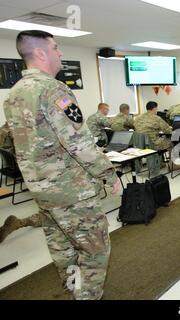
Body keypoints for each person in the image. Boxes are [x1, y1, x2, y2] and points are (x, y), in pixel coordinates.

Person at [3, 30, 121, 299]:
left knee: (61, 245)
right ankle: (87, 295)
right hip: (71, 191)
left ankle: (73, 288)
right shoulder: (53, 89)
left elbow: (19, 142)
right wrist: (108, 175)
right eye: (56, 47)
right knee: (95, 248)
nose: (61, 53)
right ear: (41, 53)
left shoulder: (14, 94)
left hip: (41, 189)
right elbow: (78, 142)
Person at [0, 121, 43, 243]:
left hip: (26, 172)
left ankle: (19, 223)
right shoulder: (25, 129)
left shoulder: (4, 130)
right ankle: (21, 223)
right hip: (38, 172)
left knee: (50, 209)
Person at [134, 101, 180, 171]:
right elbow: (168, 131)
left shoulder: (137, 118)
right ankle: (172, 165)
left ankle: (160, 163)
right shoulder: (156, 118)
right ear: (154, 109)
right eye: (156, 108)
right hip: (153, 145)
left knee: (160, 139)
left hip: (141, 145)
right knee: (171, 141)